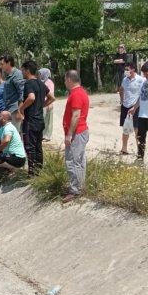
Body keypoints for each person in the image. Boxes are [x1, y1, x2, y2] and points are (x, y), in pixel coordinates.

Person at [17, 61, 55, 177]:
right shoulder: (41, 83)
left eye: (22, 70)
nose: (22, 72)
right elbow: (52, 98)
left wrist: (22, 109)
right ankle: (39, 171)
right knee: (38, 147)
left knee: (30, 147)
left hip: (31, 120)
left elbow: (31, 97)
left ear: (27, 70)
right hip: (39, 120)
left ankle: (32, 173)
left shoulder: (29, 84)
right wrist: (41, 105)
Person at [62, 70, 90, 204]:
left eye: (65, 79)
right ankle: (80, 187)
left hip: (77, 133)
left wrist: (69, 134)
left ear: (69, 80)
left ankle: (75, 190)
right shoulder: (79, 92)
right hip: (80, 132)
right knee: (78, 161)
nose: (64, 82)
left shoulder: (77, 94)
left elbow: (76, 115)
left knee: (72, 161)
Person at [118, 61, 144, 155]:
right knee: (125, 128)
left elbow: (142, 94)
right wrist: (122, 99)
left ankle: (139, 150)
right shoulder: (125, 80)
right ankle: (124, 149)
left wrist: (136, 105)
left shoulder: (140, 80)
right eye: (125, 69)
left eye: (127, 69)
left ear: (133, 69)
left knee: (137, 128)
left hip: (135, 107)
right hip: (125, 106)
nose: (126, 71)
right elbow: (121, 89)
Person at [0, 54, 24, 132]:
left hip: (15, 110)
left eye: (2, 64)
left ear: (8, 63)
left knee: (14, 134)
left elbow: (21, 93)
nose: (1, 66)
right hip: (9, 109)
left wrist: (19, 112)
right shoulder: (9, 75)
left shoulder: (16, 74)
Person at [38, 68, 55, 142]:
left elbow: (51, 94)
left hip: (47, 103)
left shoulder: (49, 82)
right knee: (42, 120)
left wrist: (49, 103)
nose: (39, 75)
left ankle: (47, 136)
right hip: (41, 103)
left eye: (40, 73)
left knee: (48, 120)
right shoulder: (40, 82)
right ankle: (41, 135)